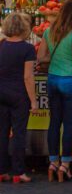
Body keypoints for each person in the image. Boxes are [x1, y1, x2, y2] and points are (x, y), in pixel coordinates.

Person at [37, 0, 72, 182]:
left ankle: (52, 162)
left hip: (53, 80)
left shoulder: (49, 31)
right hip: (70, 81)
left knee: (54, 123)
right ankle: (65, 164)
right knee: (68, 125)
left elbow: (40, 57)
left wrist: (55, 59)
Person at [0, 13, 37, 183]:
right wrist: (34, 101)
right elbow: (28, 77)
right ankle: (18, 172)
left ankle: (2, 170)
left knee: (2, 133)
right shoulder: (27, 49)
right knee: (19, 134)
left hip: (1, 93)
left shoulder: (1, 46)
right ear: (24, 28)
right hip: (19, 96)